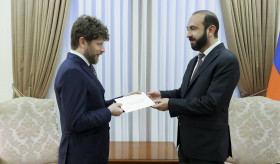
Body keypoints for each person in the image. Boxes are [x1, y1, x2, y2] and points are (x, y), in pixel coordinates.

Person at [148, 10, 240, 164]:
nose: (188, 34)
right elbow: (184, 93)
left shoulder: (227, 60)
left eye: (193, 29)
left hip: (208, 149)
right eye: (187, 29)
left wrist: (171, 104)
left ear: (210, 30)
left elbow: (211, 103)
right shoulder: (194, 61)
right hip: (186, 146)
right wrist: (161, 94)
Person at [54, 15, 139, 164]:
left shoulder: (80, 67)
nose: (103, 49)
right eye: (99, 44)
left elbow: (92, 106)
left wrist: (124, 100)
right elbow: (75, 121)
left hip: (89, 154)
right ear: (82, 42)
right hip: (80, 157)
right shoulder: (72, 71)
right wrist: (108, 112)